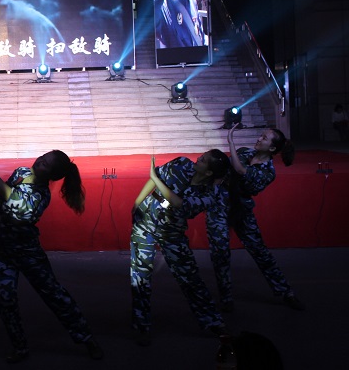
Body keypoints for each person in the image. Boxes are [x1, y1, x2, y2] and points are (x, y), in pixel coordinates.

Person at [0, 146, 104, 363]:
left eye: (45, 164)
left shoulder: (40, 195)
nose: (39, 161)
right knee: (5, 299)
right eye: (42, 157)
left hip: (27, 252)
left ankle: (86, 337)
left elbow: (13, 205)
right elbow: (5, 198)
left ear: (51, 175)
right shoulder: (21, 172)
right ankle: (20, 347)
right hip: (2, 248)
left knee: (54, 294)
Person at [130, 150, 230, 346]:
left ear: (209, 172)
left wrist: (156, 181)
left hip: (172, 233)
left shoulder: (209, 195)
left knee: (190, 277)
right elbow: (156, 178)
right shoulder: (181, 164)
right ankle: (141, 325)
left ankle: (212, 321)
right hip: (145, 224)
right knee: (140, 277)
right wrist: (137, 202)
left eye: (203, 160)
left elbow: (180, 205)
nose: (198, 159)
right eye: (201, 156)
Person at [205, 125, 304, 312]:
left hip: (241, 211)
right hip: (219, 206)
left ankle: (286, 292)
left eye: (264, 138)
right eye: (261, 136)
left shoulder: (268, 172)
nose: (259, 139)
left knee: (260, 253)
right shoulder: (245, 152)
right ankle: (226, 297)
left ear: (272, 148)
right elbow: (224, 169)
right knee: (220, 253)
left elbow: (241, 171)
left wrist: (231, 141)